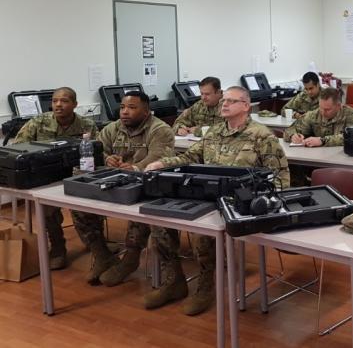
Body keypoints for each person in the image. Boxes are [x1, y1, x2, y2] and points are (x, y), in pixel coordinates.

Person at [145, 86, 290, 314]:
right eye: (224, 100)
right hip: (207, 195)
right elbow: (189, 157)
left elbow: (279, 176)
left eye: (231, 101)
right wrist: (164, 163)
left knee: (204, 233)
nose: (224, 104)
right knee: (160, 222)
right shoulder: (213, 132)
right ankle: (174, 281)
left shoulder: (262, 135)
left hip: (239, 202)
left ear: (245, 105)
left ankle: (206, 285)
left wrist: (269, 207)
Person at [72, 91, 175, 287]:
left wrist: (135, 168)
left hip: (144, 184)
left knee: (143, 208)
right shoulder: (113, 128)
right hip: (114, 183)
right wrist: (107, 159)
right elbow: (98, 150)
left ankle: (131, 258)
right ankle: (101, 254)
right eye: (122, 108)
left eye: (132, 108)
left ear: (146, 112)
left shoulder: (160, 129)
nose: (125, 112)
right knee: (78, 204)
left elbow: (157, 158)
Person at [14, 87, 98, 270]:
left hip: (77, 173)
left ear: (75, 104)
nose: (58, 105)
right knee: (47, 209)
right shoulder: (39, 122)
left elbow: (97, 150)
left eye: (65, 101)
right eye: (55, 101)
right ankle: (58, 247)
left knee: (87, 204)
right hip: (47, 176)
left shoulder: (86, 125)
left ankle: (94, 242)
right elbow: (18, 147)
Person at [283, 87, 353, 147]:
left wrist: (322, 141)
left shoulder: (349, 114)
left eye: (327, 109)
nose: (322, 112)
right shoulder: (314, 114)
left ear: (338, 106)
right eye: (321, 107)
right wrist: (293, 136)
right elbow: (289, 130)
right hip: (317, 158)